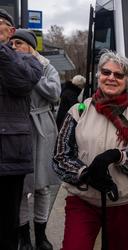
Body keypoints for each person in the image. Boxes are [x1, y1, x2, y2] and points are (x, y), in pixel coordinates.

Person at [52, 50, 128, 250]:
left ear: (127, 80)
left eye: (118, 75)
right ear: (98, 76)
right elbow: (60, 157)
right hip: (83, 201)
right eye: (106, 72)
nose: (111, 78)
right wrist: (85, 173)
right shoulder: (78, 111)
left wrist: (118, 156)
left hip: (124, 204)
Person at [10, 29, 61, 250]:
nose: (14, 47)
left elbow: (54, 93)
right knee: (20, 185)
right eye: (11, 43)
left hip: (44, 127)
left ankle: (41, 237)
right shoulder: (8, 65)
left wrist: (32, 73)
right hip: (18, 127)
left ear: (31, 46)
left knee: (42, 187)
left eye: (19, 43)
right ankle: (23, 238)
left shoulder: (47, 67)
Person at [0, 9, 43, 250]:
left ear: (10, 31)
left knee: (6, 222)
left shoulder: (27, 60)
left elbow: (21, 83)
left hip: (9, 153)